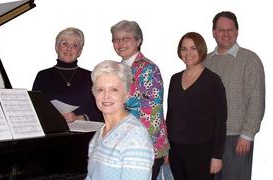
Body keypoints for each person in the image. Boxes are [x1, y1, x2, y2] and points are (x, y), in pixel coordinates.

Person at [204, 11, 266, 180]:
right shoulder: (205, 61)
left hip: (236, 138)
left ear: (237, 31)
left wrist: (247, 135)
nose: (225, 34)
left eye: (230, 29)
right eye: (221, 30)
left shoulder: (250, 60)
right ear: (214, 33)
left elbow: (256, 99)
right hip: (209, 137)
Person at [110, 20, 170, 180]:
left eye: (126, 38)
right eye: (116, 39)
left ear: (138, 41)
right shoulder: (113, 70)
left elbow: (153, 113)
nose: (120, 43)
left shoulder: (149, 69)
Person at [166, 32, 227, 180]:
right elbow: (170, 116)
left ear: (201, 50)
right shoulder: (175, 79)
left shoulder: (213, 81)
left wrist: (217, 156)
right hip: (176, 150)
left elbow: (220, 121)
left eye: (193, 48)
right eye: (184, 48)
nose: (188, 53)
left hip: (202, 152)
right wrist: (166, 148)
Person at [86, 60, 154, 180]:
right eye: (100, 90)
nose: (106, 96)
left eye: (114, 90)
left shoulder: (135, 136)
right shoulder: (100, 133)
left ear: (127, 94)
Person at [32, 27, 103, 122]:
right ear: (57, 47)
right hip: (54, 132)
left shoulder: (91, 76)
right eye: (64, 43)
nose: (69, 48)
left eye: (75, 45)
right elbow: (35, 108)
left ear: (79, 52)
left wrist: (79, 118)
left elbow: (102, 109)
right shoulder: (43, 76)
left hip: (86, 134)